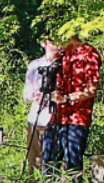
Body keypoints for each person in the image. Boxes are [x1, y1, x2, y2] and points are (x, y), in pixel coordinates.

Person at [42, 31, 101, 182]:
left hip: (77, 119)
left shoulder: (89, 53)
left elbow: (91, 90)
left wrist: (67, 98)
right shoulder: (63, 55)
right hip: (57, 116)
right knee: (49, 162)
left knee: (72, 167)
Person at [23, 37, 58, 172]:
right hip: (35, 118)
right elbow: (26, 92)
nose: (58, 45)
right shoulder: (34, 65)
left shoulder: (63, 65)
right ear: (44, 43)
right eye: (54, 41)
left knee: (52, 161)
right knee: (34, 160)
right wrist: (33, 95)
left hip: (54, 118)